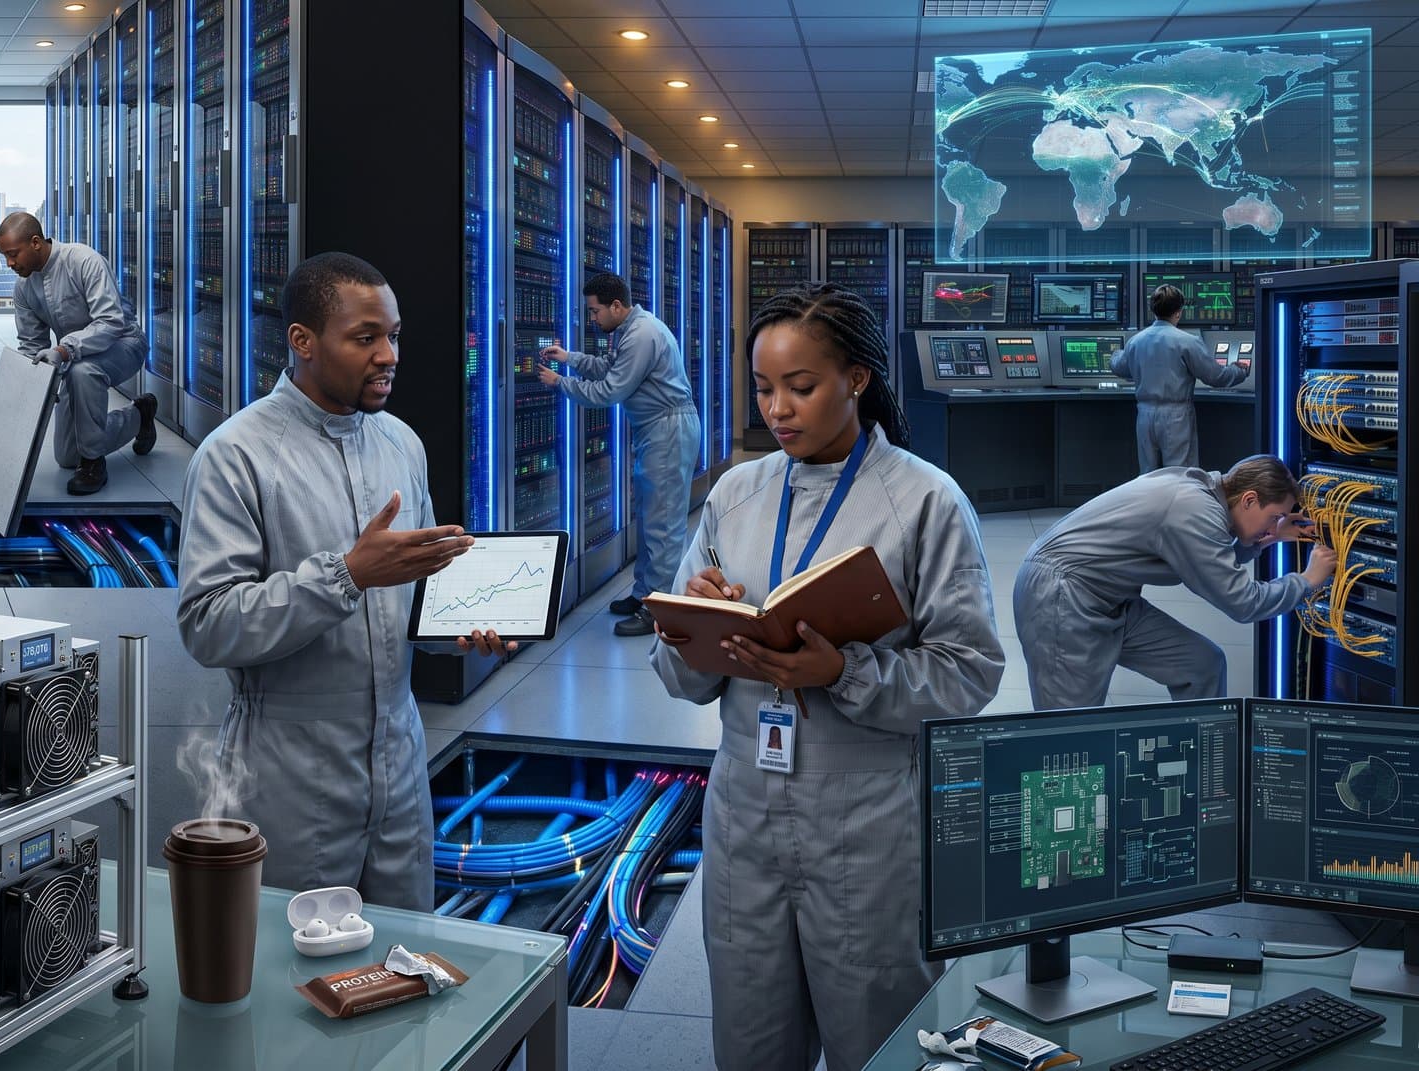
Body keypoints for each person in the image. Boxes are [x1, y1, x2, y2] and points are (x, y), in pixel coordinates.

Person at [649, 283, 1004, 1071]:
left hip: (867, 817)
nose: (779, 408)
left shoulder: (923, 501)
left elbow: (970, 670)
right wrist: (691, 628)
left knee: (877, 1035)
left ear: (856, 379)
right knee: (749, 1033)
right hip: (743, 806)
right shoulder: (736, 494)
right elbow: (679, 677)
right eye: (764, 389)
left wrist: (845, 670)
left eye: (801, 387)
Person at [176, 252, 510, 911]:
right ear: (302, 342)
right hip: (289, 766)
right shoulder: (235, 456)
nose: (388, 354)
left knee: (402, 962)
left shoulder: (400, 445)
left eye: (394, 335)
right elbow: (208, 623)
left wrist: (453, 631)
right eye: (365, 338)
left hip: (400, 757)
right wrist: (346, 575)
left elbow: (400, 603)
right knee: (294, 972)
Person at [1014, 456, 1335, 711]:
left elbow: (1211, 554)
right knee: (1069, 734)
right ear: (1250, 500)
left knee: (1203, 666)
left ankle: (1206, 770)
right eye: (1274, 517)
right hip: (1061, 594)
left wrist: (1269, 537)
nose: (1274, 525)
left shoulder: (1204, 493)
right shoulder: (1194, 510)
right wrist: (1307, 580)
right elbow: (1243, 602)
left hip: (1110, 597)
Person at [539, 273, 701, 637]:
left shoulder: (642, 333)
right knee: (649, 518)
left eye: (595, 311)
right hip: (656, 429)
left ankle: (660, 610)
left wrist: (560, 383)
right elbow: (610, 368)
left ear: (616, 306)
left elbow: (610, 390)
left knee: (662, 525)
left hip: (668, 430)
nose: (592, 318)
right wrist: (570, 358)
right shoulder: (630, 331)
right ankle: (645, 595)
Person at [0, 212, 159, 496]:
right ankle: (140, 415)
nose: (10, 264)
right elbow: (30, 346)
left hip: (123, 343)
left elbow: (111, 322)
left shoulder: (84, 261)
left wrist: (65, 350)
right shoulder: (24, 288)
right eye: (5, 256)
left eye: (13, 254)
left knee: (81, 372)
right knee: (66, 456)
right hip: (74, 356)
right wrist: (6, 384)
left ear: (36, 242)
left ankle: (93, 464)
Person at [1111, 283, 1249, 472]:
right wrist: (1239, 371)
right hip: (1176, 417)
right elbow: (1216, 377)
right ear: (1178, 312)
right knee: (1181, 477)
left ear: (1154, 310)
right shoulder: (1188, 342)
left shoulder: (1136, 341)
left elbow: (1120, 367)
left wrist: (1115, 354)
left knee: (1147, 477)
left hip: (1144, 415)